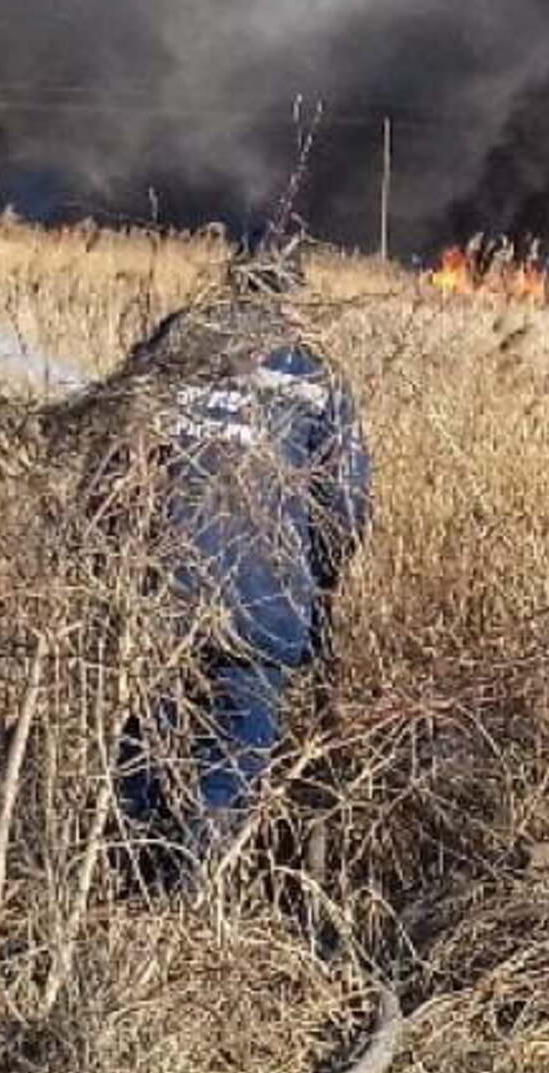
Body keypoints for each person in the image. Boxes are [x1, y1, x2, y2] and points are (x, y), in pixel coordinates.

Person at [116, 244, 372, 866]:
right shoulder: (315, 376)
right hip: (265, 609)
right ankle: (187, 908)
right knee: (229, 769)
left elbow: (114, 462)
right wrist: (321, 595)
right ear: (292, 299)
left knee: (147, 746)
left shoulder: (172, 349)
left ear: (230, 285)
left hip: (161, 598)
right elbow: (343, 507)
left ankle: (122, 892)